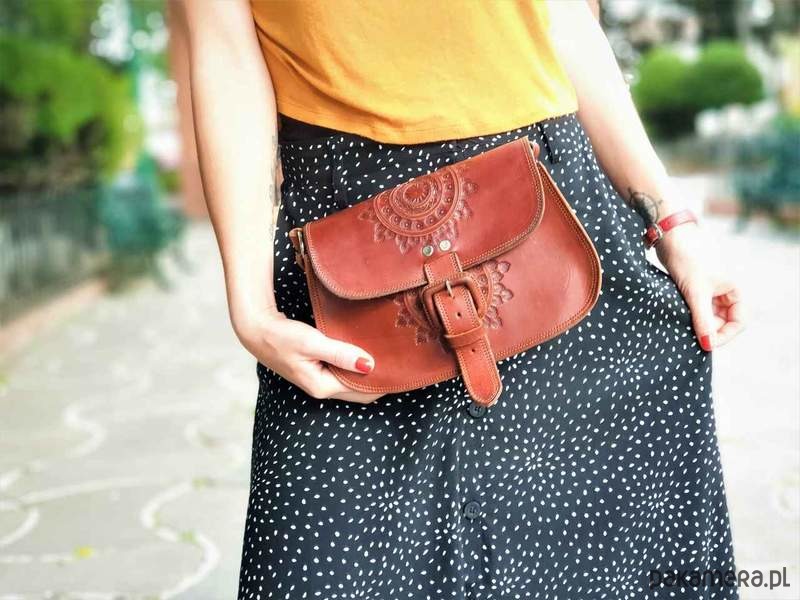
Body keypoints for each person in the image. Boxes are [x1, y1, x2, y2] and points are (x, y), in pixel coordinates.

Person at [176, 1, 745, 598]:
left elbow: (564, 22)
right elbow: (224, 50)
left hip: (557, 215)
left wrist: (672, 224)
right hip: (348, 252)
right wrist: (251, 306)